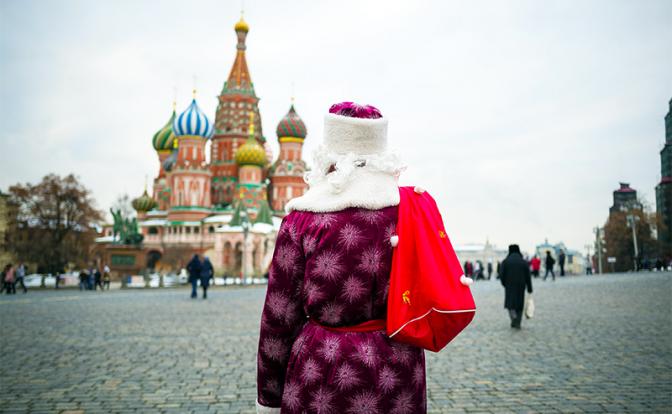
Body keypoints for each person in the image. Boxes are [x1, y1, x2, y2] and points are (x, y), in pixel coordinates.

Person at [256, 102, 426, 412]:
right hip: (398, 369)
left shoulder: (301, 220)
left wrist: (269, 396)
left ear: (329, 153)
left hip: (321, 369)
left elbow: (279, 317)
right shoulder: (411, 213)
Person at [500, 244, 533, 329]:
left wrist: (504, 284)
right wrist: (529, 288)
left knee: (510, 304)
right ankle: (518, 321)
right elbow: (528, 276)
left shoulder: (506, 262)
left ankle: (513, 317)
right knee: (519, 304)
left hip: (509, 285)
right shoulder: (523, 262)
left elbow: (501, 275)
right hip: (521, 286)